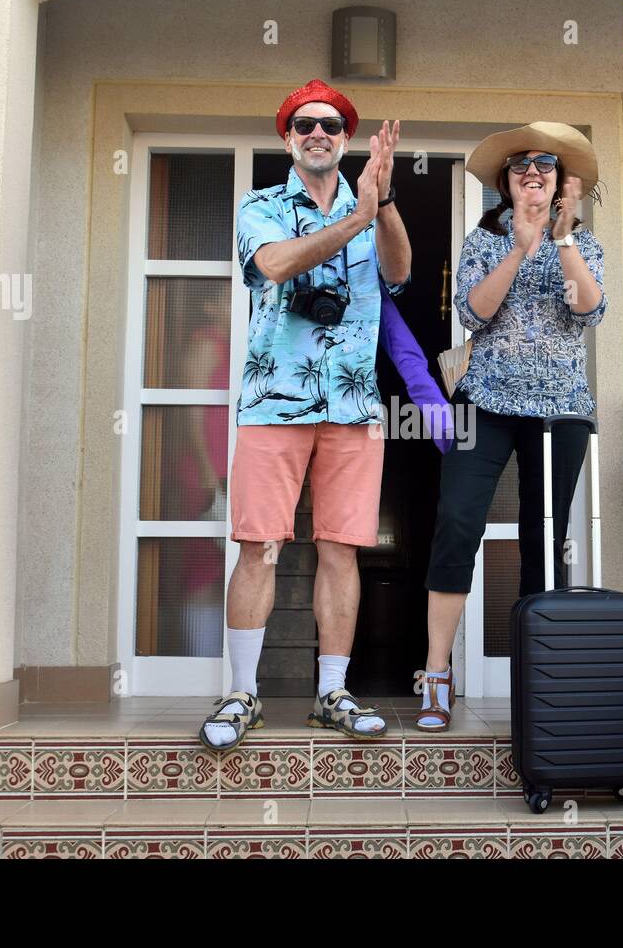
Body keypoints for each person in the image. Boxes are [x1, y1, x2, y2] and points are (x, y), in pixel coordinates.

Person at [200, 79, 411, 750]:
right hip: (274, 403)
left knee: (341, 550)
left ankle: (332, 694)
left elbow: (401, 271)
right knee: (258, 547)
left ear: (347, 140)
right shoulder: (260, 205)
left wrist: (386, 202)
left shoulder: (369, 205)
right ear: (287, 139)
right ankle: (241, 695)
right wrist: (354, 219)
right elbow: (275, 265)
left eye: (330, 124)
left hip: (353, 407)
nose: (317, 132)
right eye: (303, 124)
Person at [416, 122, 607, 731]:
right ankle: (437, 673)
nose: (532, 171)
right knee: (456, 523)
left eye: (545, 165)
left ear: (560, 183)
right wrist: (521, 247)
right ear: (505, 180)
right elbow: (473, 313)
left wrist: (562, 238)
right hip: (485, 402)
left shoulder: (584, 244)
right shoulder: (483, 240)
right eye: (521, 164)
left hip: (561, 410)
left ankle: (538, 678)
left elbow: (589, 308)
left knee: (543, 538)